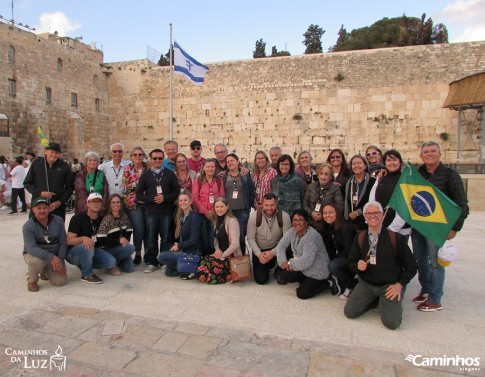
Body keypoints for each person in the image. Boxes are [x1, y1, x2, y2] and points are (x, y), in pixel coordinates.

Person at [411, 141, 468, 312]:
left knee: (436, 263)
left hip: (437, 228)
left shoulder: (450, 175)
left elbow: (462, 204)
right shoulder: (418, 173)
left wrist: (455, 228)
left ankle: (435, 299)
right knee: (420, 261)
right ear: (421, 156)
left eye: (433, 151)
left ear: (439, 154)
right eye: (426, 152)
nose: (429, 154)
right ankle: (426, 289)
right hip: (418, 226)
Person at [344, 201, 417, 329]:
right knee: (350, 312)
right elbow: (351, 262)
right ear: (365, 217)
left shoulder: (395, 238)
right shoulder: (360, 237)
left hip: (389, 286)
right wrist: (357, 266)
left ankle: (388, 299)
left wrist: (399, 284)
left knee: (391, 323)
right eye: (369, 213)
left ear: (382, 215)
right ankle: (374, 300)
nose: (373, 216)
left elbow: (412, 267)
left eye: (376, 213)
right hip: (367, 284)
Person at [274, 209, 340, 299]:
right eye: (295, 220)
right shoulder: (292, 231)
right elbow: (281, 246)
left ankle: (328, 282)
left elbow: (306, 261)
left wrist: (289, 263)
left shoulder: (311, 236)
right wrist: (282, 261)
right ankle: (307, 281)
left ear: (306, 222)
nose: (297, 222)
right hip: (302, 267)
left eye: (301, 220)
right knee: (284, 276)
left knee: (302, 294)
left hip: (317, 270)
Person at [136, 148, 180, 273]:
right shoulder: (145, 175)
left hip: (166, 211)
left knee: (166, 237)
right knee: (151, 238)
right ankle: (153, 261)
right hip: (151, 211)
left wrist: (164, 198)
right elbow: (138, 194)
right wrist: (151, 199)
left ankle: (164, 261)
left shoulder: (170, 173)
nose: (157, 160)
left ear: (163, 158)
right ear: (150, 159)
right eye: (154, 158)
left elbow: (176, 192)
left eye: (160, 158)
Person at [65, 193, 119, 284]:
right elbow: (69, 240)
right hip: (74, 253)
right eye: (93, 202)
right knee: (88, 243)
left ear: (102, 205)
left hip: (93, 250)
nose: (96, 204)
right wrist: (83, 238)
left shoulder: (103, 219)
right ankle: (87, 274)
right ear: (87, 204)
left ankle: (85, 264)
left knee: (111, 262)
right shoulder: (78, 218)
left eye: (98, 202)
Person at [22, 197, 67, 292]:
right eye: (39, 208)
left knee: (60, 281)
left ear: (49, 208)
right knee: (38, 261)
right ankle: (32, 281)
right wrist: (51, 257)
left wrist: (60, 260)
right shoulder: (28, 226)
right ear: (33, 209)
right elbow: (31, 248)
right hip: (36, 255)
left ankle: (44, 272)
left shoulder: (58, 220)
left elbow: (63, 242)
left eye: (45, 207)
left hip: (53, 255)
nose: (42, 210)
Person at [247, 193, 291, 285]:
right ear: (262, 204)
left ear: (276, 204)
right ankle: (269, 265)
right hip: (261, 250)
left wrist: (273, 252)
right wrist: (259, 254)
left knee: (289, 249)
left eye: (272, 205)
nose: (269, 208)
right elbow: (250, 238)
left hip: (278, 248)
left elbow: (287, 239)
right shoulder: (254, 216)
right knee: (261, 280)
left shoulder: (284, 216)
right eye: (266, 205)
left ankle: (278, 269)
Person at [24, 142, 74, 222]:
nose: (54, 155)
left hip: (56, 207)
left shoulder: (64, 166)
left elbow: (70, 187)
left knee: (57, 231)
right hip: (39, 205)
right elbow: (27, 183)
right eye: (52, 152)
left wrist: (60, 202)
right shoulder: (37, 164)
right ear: (46, 152)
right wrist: (40, 193)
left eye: (56, 153)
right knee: (36, 230)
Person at [196, 196, 241, 284]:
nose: (219, 209)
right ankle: (226, 275)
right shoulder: (216, 221)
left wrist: (223, 255)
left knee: (205, 271)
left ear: (227, 207)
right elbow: (216, 239)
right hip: (221, 254)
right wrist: (217, 251)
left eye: (221, 206)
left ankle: (231, 275)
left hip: (230, 257)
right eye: (217, 207)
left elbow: (235, 244)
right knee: (202, 262)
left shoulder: (232, 221)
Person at [158, 192, 202, 279]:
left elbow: (194, 240)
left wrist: (178, 246)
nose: (183, 202)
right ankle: (187, 268)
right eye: (181, 200)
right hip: (184, 250)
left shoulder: (195, 217)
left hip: (192, 253)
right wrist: (177, 245)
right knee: (169, 272)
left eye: (185, 200)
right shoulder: (183, 217)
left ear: (191, 201)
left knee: (161, 256)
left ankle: (192, 266)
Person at [369, 149, 410, 235]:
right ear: (384, 163)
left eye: (395, 160)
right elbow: (372, 200)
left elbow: (404, 207)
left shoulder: (405, 179)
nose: (392, 163)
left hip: (398, 230)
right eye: (388, 160)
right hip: (382, 226)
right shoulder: (381, 178)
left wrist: (392, 229)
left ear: (400, 162)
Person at [322, 202, 357, 299]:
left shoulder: (346, 227)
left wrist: (334, 259)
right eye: (325, 213)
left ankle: (351, 287)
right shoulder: (329, 226)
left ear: (337, 212)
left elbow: (349, 250)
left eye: (331, 212)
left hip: (352, 258)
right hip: (341, 256)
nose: (327, 215)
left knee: (333, 265)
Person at [192, 159, 225, 256]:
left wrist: (214, 211)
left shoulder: (219, 181)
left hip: (216, 214)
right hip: (202, 215)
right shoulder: (198, 181)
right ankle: (203, 260)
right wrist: (206, 211)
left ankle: (213, 260)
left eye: (212, 167)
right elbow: (195, 198)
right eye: (208, 167)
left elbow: (221, 196)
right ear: (204, 168)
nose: (210, 169)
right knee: (203, 238)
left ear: (215, 168)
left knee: (213, 238)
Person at [96, 194, 136, 274]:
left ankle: (114, 261)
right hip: (107, 248)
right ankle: (110, 263)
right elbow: (100, 239)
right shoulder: (107, 219)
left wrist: (124, 241)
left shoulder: (124, 217)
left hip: (120, 247)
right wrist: (118, 241)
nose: (116, 204)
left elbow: (128, 231)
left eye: (118, 202)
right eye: (113, 202)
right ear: (109, 205)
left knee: (129, 268)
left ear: (121, 203)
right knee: (131, 248)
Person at [223, 153, 255, 254]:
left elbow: (251, 191)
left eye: (232, 160)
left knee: (241, 236)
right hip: (228, 211)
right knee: (229, 237)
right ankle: (230, 261)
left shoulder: (245, 175)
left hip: (242, 211)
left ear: (237, 162)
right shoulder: (224, 176)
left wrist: (249, 206)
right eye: (228, 162)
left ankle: (241, 261)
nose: (230, 163)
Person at [122, 147, 148, 265]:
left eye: (140, 154)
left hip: (147, 203)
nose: (138, 156)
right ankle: (138, 253)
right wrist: (139, 182)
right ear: (132, 157)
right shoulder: (127, 169)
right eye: (135, 154)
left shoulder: (148, 168)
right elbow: (125, 187)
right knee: (138, 229)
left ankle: (147, 252)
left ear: (143, 156)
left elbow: (152, 184)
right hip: (134, 204)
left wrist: (139, 183)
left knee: (148, 229)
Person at [303, 163, 344, 233]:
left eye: (326, 174)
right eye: (321, 174)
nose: (323, 177)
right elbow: (305, 204)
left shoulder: (335, 189)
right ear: (318, 175)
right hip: (311, 222)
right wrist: (311, 213)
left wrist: (324, 215)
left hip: (327, 224)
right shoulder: (311, 186)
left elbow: (340, 207)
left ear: (330, 177)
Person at [344, 154, 375, 231]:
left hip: (367, 221)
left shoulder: (373, 182)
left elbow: (375, 201)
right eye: (354, 164)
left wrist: (358, 212)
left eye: (359, 163)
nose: (356, 165)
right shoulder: (347, 183)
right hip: (351, 222)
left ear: (365, 166)